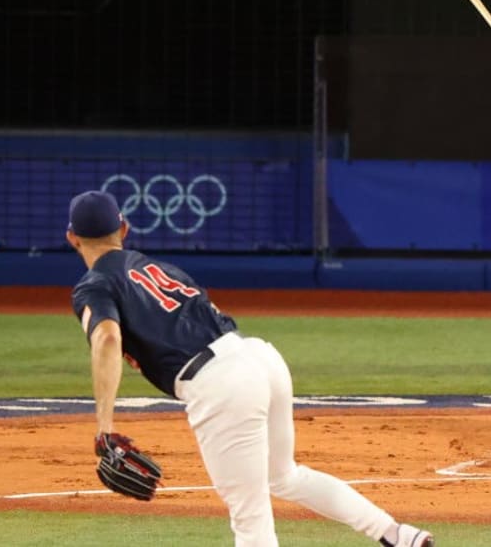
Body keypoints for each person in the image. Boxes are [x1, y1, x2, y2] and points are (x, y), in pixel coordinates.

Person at [64, 190, 435, 547]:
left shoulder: (93, 285)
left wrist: (104, 428)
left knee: (250, 515)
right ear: (124, 230)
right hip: (258, 357)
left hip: (220, 384)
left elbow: (108, 340)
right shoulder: (160, 268)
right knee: (285, 476)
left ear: (72, 238)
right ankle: (397, 535)